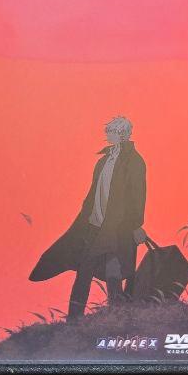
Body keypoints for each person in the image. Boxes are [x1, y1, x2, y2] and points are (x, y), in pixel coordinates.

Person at [28, 116, 147, 321]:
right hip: (95, 226)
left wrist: (135, 225)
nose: (107, 135)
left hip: (117, 228)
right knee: (99, 271)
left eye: (111, 131)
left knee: (104, 270)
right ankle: (84, 319)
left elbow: (138, 196)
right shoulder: (103, 161)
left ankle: (99, 318)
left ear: (122, 134)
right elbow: (93, 194)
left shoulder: (135, 162)